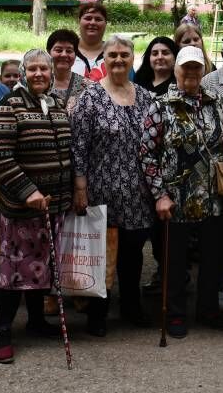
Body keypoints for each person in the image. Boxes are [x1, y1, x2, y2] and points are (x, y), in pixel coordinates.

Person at [0, 49, 75, 364]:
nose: (39, 74)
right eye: (33, 68)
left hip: (55, 205)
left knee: (42, 268)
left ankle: (36, 322)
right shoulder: (9, 106)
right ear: (24, 73)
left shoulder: (58, 104)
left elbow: (68, 149)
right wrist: (28, 192)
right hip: (22, 208)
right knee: (14, 272)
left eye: (44, 69)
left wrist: (73, 189)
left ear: (52, 73)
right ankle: (4, 331)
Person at [141, 46, 223, 337]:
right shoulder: (161, 104)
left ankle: (208, 308)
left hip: (213, 196)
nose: (191, 72)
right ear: (176, 70)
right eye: (186, 67)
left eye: (196, 67)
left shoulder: (216, 102)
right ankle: (176, 313)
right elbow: (146, 154)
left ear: (203, 69)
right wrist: (160, 195)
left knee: (212, 257)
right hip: (176, 196)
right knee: (175, 260)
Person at [71, 34, 155, 335]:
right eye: (113, 55)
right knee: (100, 255)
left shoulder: (146, 97)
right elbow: (78, 146)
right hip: (100, 189)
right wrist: (80, 187)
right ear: (103, 59)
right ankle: (97, 313)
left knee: (133, 254)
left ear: (133, 58)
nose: (118, 59)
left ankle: (131, 306)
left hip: (138, 193)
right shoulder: (90, 97)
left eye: (124, 54)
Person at [45, 28, 88, 110]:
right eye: (59, 50)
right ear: (48, 52)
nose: (64, 55)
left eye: (69, 51)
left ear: (75, 54)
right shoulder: (39, 82)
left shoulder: (87, 87)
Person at [72, 2, 109, 82]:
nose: (92, 22)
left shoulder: (115, 53)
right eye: (88, 18)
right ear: (79, 21)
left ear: (106, 23)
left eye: (98, 19)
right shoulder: (66, 52)